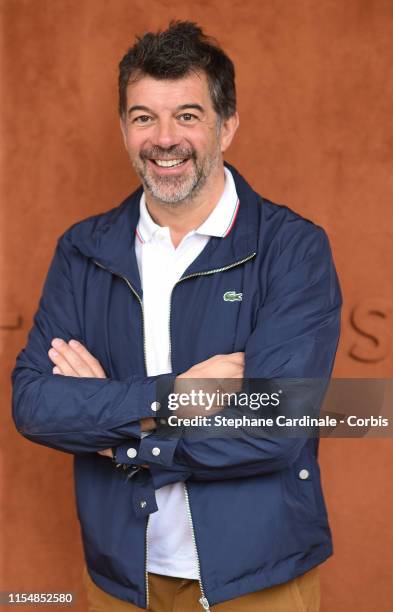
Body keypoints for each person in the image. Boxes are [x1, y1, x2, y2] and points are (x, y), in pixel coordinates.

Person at [12, 20, 342, 612]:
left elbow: (276, 428)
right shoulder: (83, 249)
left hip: (259, 579)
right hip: (121, 580)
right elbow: (35, 405)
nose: (165, 138)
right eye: (144, 118)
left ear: (227, 125)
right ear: (123, 127)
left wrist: (121, 437)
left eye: (187, 116)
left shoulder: (293, 248)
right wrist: (174, 397)